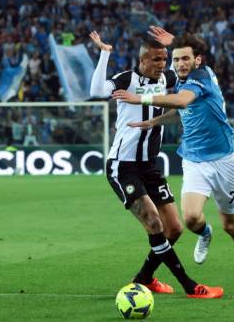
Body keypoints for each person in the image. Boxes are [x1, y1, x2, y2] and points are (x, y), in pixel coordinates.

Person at [113, 31, 234, 294]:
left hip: (225, 160)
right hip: (193, 159)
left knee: (232, 225)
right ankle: (204, 233)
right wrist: (153, 122)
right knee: (190, 219)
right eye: (175, 60)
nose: (179, 64)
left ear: (198, 60)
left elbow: (182, 101)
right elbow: (181, 111)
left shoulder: (201, 78)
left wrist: (140, 99)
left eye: (185, 59)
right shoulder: (181, 78)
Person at [89, 31, 223, 299]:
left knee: (174, 228)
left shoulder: (167, 78)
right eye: (157, 59)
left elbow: (188, 64)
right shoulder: (126, 79)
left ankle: (144, 279)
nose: (163, 64)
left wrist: (173, 44)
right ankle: (189, 285)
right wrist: (105, 52)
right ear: (142, 61)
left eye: (165, 59)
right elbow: (95, 91)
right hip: (123, 166)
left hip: (149, 166)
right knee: (154, 223)